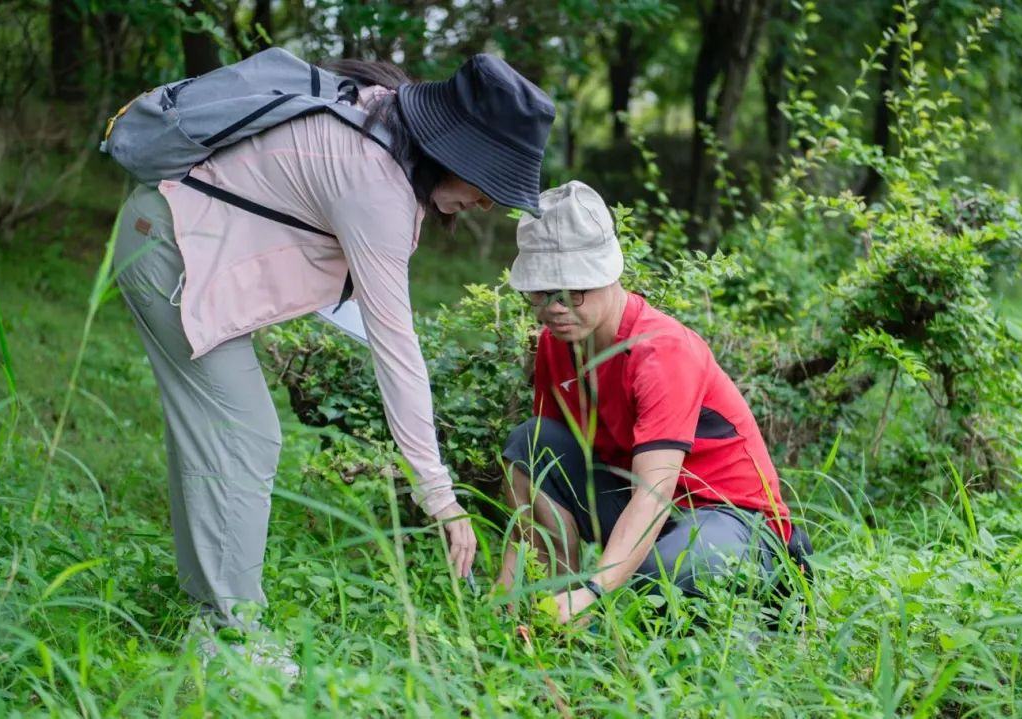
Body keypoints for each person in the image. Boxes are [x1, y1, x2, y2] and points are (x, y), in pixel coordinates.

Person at [111, 54, 555, 664]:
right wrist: (440, 495)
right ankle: (229, 639)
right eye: (490, 184)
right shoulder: (378, 187)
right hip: (168, 250)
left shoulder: (380, 115)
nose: (486, 205)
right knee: (244, 434)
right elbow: (397, 351)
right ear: (457, 153)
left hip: (169, 235)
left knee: (221, 434)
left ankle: (206, 611)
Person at [496, 181, 809, 624]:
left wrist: (595, 589)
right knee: (531, 444)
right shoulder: (556, 345)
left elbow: (653, 495)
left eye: (572, 289)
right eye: (540, 292)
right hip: (650, 513)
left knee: (665, 574)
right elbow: (541, 478)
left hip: (734, 523)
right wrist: (505, 595)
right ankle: (548, 612)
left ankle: (740, 629)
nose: (554, 307)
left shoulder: (662, 352)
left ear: (607, 274)